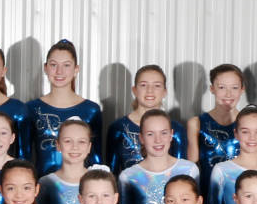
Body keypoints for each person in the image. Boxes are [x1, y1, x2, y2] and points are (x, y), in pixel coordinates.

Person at [27, 39, 102, 173]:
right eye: (54, 65)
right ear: (46, 68)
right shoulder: (32, 108)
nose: (59, 71)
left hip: (81, 187)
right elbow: (24, 158)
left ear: (76, 69)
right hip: (42, 186)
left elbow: (96, 158)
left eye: (66, 65)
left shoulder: (91, 110)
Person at [107, 64, 181, 173]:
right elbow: (111, 174)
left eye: (157, 85)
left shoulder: (176, 129)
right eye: (143, 85)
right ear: (134, 90)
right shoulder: (118, 128)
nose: (150, 90)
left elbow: (182, 172)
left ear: (165, 92)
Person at [187, 64, 245, 192]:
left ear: (242, 89)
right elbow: (191, 170)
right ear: (212, 89)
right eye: (222, 87)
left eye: (234, 88)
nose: (228, 94)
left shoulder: (249, 124)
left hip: (242, 195)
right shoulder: (196, 123)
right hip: (207, 193)